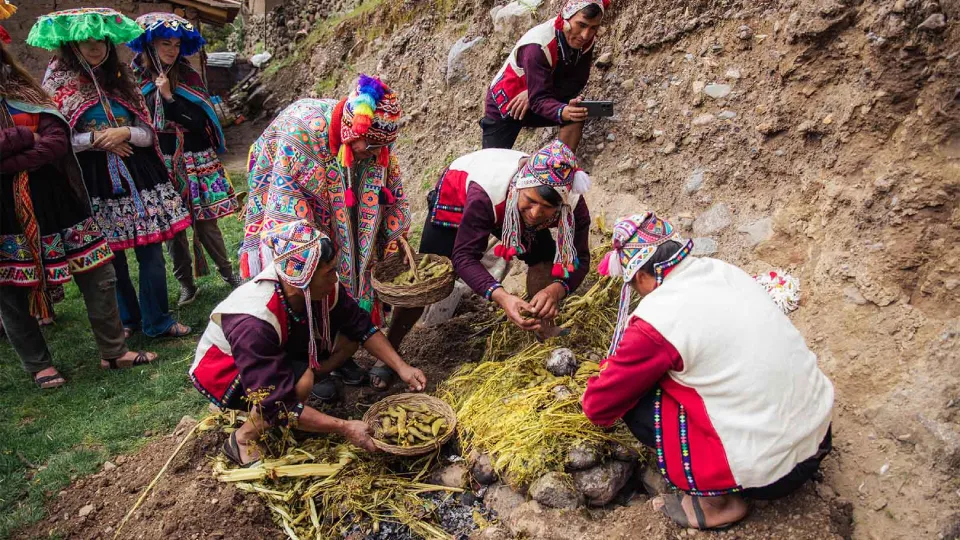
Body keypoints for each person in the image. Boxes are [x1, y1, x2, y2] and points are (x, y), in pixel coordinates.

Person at [581, 213, 835, 530]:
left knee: (640, 405)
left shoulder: (656, 320)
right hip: (820, 434)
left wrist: (606, 373)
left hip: (776, 475)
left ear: (642, 275)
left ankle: (715, 503)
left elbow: (598, 406)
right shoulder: (724, 271)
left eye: (632, 283)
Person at [190, 221, 427, 465]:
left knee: (349, 340)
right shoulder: (254, 322)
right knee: (296, 387)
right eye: (329, 273)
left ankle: (297, 405)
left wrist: (402, 367)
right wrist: (344, 427)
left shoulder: (313, 289)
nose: (335, 278)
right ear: (299, 280)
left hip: (275, 351)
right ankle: (242, 437)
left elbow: (361, 326)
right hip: (226, 371)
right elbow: (274, 401)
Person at [0, 20, 157, 389]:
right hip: (5, 211)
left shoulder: (24, 88)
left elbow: (58, 140)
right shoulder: (52, 85)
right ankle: (40, 365)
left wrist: (19, 147)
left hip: (59, 198)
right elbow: (45, 138)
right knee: (11, 289)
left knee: (99, 273)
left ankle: (113, 350)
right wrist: (26, 135)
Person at [29, 8, 193, 339]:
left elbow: (148, 131)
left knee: (152, 253)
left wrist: (125, 134)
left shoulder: (123, 81)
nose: (95, 48)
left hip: (139, 173)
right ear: (72, 45)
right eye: (86, 42)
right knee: (111, 256)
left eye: (100, 41)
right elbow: (57, 139)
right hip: (93, 180)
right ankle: (127, 319)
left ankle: (157, 319)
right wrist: (95, 139)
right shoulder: (58, 87)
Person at [239, 75, 409, 393]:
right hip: (292, 200)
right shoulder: (300, 131)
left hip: (342, 203)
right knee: (314, 267)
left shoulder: (373, 144)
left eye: (380, 148)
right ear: (350, 129)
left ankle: (335, 353)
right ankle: (308, 357)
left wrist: (392, 231)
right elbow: (288, 216)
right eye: (368, 146)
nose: (373, 154)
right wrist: (319, 246)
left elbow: (390, 190)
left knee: (350, 263)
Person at [418, 139, 591, 335]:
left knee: (543, 256)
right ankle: (392, 350)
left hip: (509, 204)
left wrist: (556, 289)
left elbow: (581, 259)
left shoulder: (573, 206)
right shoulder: (485, 195)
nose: (534, 213)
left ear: (561, 206)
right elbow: (463, 256)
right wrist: (501, 296)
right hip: (457, 190)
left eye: (546, 208)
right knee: (428, 275)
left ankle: (542, 327)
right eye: (531, 201)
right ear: (519, 188)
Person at [129, 13, 241, 306]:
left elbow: (198, 120)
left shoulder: (187, 75)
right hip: (159, 161)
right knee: (173, 228)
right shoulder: (134, 80)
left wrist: (168, 97)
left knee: (206, 223)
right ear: (149, 45)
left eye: (177, 44)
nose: (172, 50)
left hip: (193, 157)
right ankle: (186, 284)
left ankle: (229, 275)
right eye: (165, 43)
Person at [481, 0, 608, 151]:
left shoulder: (585, 42)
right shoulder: (537, 46)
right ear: (565, 20)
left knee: (574, 114)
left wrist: (536, 92)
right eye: (581, 25)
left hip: (540, 96)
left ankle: (561, 167)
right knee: (493, 162)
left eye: (593, 28)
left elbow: (577, 81)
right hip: (506, 104)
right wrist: (556, 107)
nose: (585, 35)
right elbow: (539, 100)